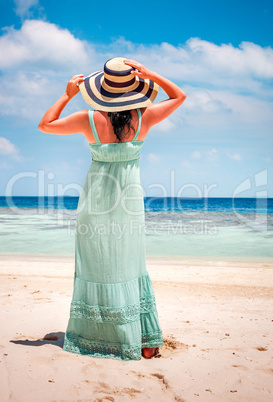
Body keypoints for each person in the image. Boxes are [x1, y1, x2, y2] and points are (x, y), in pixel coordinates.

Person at [38, 57, 186, 360]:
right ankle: (141, 340)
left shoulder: (88, 119)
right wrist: (153, 75)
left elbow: (45, 125)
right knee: (130, 265)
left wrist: (67, 94)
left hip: (95, 203)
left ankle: (97, 338)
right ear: (133, 90)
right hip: (129, 204)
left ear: (101, 91)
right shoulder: (143, 118)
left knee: (97, 266)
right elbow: (179, 96)